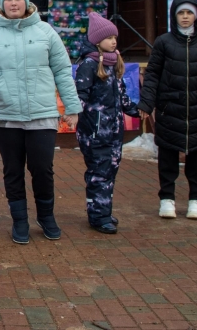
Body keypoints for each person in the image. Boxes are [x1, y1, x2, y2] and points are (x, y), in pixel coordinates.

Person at [0, 0, 80, 244]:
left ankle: (46, 216)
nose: (13, 3)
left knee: (42, 168)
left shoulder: (46, 32)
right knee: (13, 169)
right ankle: (19, 221)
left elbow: (63, 70)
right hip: (5, 115)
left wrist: (72, 106)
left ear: (27, 2)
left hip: (42, 114)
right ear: (2, 4)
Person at [138, 0, 197, 220]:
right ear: (174, 15)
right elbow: (152, 74)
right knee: (168, 159)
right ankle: (167, 200)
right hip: (169, 109)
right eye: (181, 12)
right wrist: (146, 102)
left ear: (196, 15)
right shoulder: (164, 42)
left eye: (189, 12)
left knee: (196, 162)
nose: (184, 17)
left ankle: (196, 201)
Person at [75, 13, 139, 234]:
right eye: (109, 37)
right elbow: (79, 97)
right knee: (99, 172)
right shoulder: (88, 65)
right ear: (96, 40)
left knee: (110, 171)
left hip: (114, 131)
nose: (114, 41)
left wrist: (136, 110)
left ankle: (104, 209)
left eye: (115, 37)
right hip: (95, 131)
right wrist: (77, 117)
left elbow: (121, 96)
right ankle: (98, 216)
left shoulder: (113, 63)